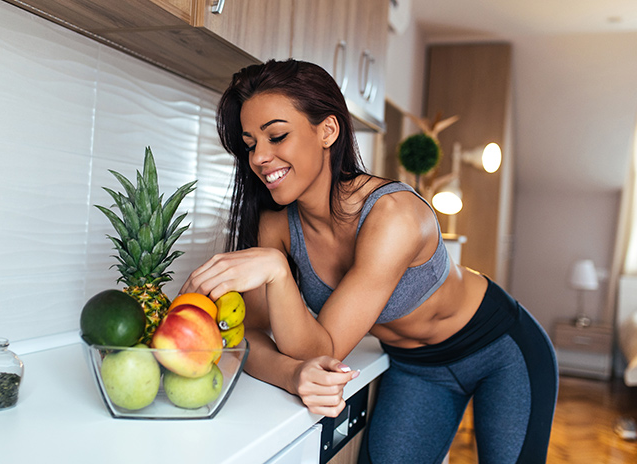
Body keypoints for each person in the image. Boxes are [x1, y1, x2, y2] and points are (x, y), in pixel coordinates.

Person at [179, 59, 558, 463]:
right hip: (416, 366)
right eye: (251, 143)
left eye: (276, 136)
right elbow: (250, 336)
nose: (259, 157)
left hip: (500, 349)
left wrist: (275, 270)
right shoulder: (276, 225)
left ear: (327, 130)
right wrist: (291, 375)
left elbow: (323, 348)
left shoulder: (394, 215)